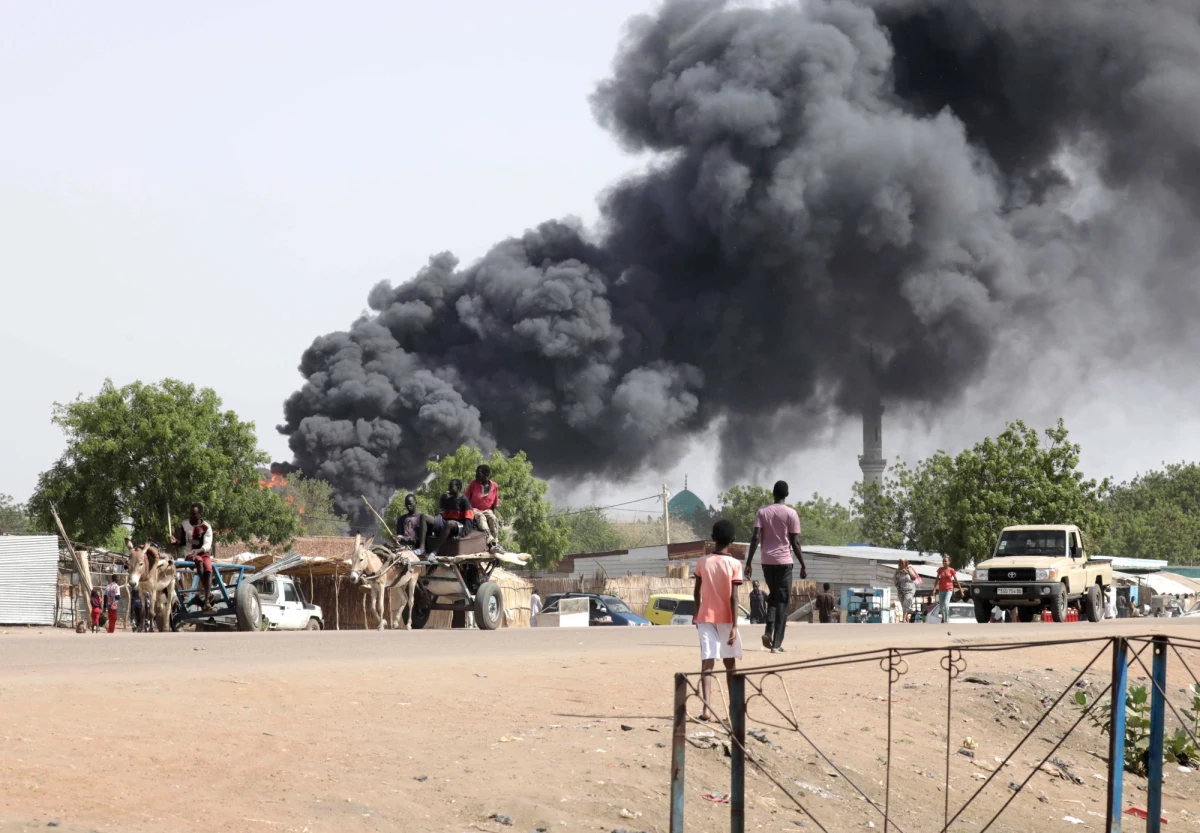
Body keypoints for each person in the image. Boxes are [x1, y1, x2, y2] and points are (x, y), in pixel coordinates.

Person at [744, 481, 807, 653]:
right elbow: (795, 542)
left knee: (773, 598)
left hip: (767, 562)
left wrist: (748, 562)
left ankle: (768, 631)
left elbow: (755, 537)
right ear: (786, 494)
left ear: (773, 493)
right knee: (783, 603)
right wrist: (802, 564)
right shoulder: (791, 514)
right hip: (784, 563)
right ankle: (777, 644)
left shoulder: (762, 512)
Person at [694, 519, 743, 722]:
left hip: (705, 618)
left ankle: (706, 709)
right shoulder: (734, 564)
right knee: (730, 664)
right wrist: (735, 625)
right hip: (726, 619)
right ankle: (732, 708)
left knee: (707, 663)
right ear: (732, 540)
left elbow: (696, 592)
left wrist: (697, 614)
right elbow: (734, 597)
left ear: (712, 539)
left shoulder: (702, 562)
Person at [173, 503, 215, 613]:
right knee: (198, 560)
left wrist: (199, 550)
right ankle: (208, 592)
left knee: (209, 569)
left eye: (194, 514)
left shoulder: (206, 527)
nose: (191, 516)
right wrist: (175, 542)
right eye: (190, 514)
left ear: (200, 514)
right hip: (190, 554)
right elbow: (182, 542)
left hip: (203, 553)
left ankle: (206, 602)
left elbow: (207, 545)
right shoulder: (185, 524)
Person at [426, 479, 476, 559]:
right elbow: (442, 510)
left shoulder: (464, 500)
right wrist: (442, 498)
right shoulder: (449, 500)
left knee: (449, 523)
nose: (449, 488)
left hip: (460, 525)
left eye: (451, 486)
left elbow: (469, 520)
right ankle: (424, 546)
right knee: (426, 518)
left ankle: (435, 551)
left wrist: (461, 535)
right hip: (448, 523)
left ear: (458, 488)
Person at [465, 465, 503, 552]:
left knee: (493, 518)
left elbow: (494, 503)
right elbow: (466, 499)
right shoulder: (473, 484)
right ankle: (490, 543)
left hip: (487, 509)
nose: (476, 476)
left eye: (479, 474)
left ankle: (496, 543)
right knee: (481, 518)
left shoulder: (494, 486)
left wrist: (492, 514)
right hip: (473, 509)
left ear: (486, 475)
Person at [935, 556, 962, 624]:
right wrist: (934, 589)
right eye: (943, 561)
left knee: (946, 604)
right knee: (941, 605)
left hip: (949, 589)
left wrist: (961, 589)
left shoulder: (951, 570)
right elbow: (937, 579)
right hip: (941, 589)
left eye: (945, 561)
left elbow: (956, 580)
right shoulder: (940, 570)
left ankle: (947, 619)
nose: (944, 562)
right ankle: (943, 618)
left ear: (949, 562)